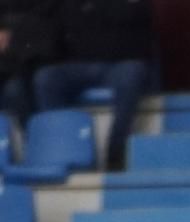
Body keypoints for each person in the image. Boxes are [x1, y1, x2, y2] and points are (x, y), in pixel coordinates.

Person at [32, 0, 153, 171]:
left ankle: (116, 151)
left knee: (131, 74)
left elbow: (135, 14)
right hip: (76, 65)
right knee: (46, 78)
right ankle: (63, 148)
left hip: (120, 63)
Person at [0, 0, 59, 138]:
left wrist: (12, 34)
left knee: (16, 90)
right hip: (11, 61)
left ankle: (38, 139)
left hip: (32, 61)